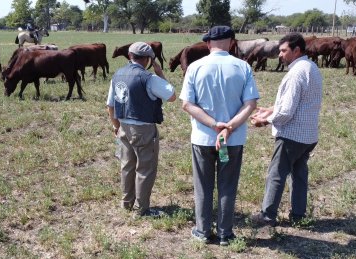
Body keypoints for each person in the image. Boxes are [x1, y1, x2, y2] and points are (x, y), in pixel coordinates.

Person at [179, 26, 259, 245]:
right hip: (232, 141)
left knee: (203, 186)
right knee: (227, 185)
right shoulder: (243, 67)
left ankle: (203, 231)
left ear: (208, 44)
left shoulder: (195, 67)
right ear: (232, 43)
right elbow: (250, 104)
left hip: (203, 139)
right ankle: (225, 233)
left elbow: (187, 104)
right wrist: (229, 127)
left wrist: (215, 125)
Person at [251, 32, 323, 228]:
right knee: (299, 175)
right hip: (308, 135)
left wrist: (264, 121)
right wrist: (272, 109)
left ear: (296, 50)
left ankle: (267, 216)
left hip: (291, 135)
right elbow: (302, 102)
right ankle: (298, 215)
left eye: (284, 51)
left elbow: (288, 112)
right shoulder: (311, 67)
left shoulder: (295, 74)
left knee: (276, 174)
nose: (280, 54)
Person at [106, 42, 176, 216]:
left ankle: (126, 202)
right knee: (145, 168)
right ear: (148, 59)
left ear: (130, 55)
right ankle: (142, 208)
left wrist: (116, 126)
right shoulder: (149, 78)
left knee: (127, 165)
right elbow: (172, 96)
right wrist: (159, 73)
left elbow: (110, 105)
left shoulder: (118, 75)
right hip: (143, 129)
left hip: (123, 126)